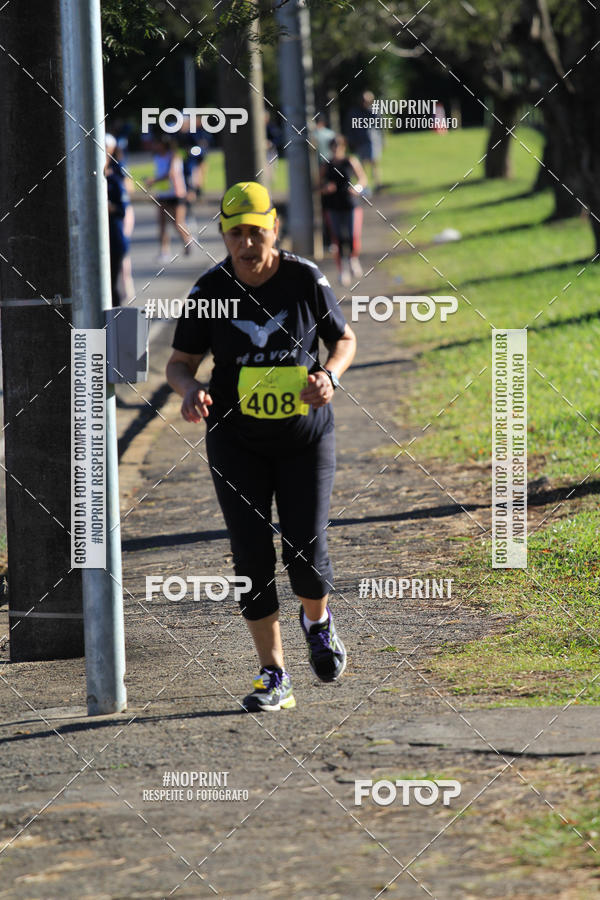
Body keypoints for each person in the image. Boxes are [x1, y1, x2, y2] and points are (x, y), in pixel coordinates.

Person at [166, 182, 357, 712]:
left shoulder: (304, 278)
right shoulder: (210, 290)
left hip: (304, 438)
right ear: (223, 235)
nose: (247, 244)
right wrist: (190, 390)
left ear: (275, 227)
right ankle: (274, 674)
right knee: (250, 555)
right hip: (236, 441)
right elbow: (179, 364)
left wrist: (329, 375)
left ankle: (318, 622)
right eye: (236, 234)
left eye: (256, 231)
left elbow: (343, 339)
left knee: (305, 551)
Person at [321, 135, 368, 286]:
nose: (336, 149)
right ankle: (343, 270)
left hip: (350, 203)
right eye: (334, 146)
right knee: (338, 238)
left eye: (339, 146)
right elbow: (318, 184)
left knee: (353, 236)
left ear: (343, 147)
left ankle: (353, 259)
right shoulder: (326, 165)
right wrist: (325, 188)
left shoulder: (350, 161)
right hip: (333, 205)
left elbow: (362, 179)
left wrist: (357, 188)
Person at [145, 135, 190, 263]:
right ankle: (164, 251)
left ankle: (188, 241)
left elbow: (171, 174)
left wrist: (153, 181)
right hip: (163, 194)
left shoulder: (174, 156)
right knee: (162, 224)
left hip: (176, 193)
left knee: (178, 223)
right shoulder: (157, 157)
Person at [105, 133, 130, 307]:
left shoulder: (114, 179)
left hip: (114, 240)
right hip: (97, 242)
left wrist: (107, 206)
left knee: (111, 285)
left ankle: (117, 316)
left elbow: (122, 209)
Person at [346, 90, 383, 190]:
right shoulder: (354, 112)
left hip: (373, 142)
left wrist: (382, 141)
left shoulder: (374, 111)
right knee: (362, 164)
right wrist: (351, 141)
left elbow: (380, 127)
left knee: (374, 162)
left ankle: (377, 184)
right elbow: (350, 128)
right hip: (360, 142)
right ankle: (364, 185)